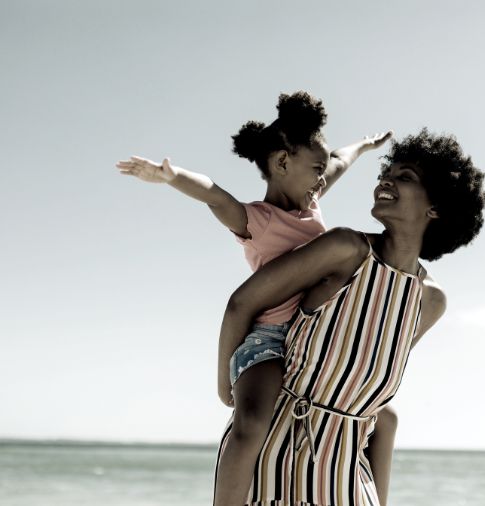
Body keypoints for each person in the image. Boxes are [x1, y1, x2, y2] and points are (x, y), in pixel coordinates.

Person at [115, 91, 396, 505]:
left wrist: (366, 146)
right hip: (268, 343)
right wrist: (172, 177)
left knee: (381, 415)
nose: (322, 177)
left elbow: (339, 159)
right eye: (314, 169)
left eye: (322, 171)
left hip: (316, 339)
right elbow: (215, 194)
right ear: (282, 163)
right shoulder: (257, 221)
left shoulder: (312, 202)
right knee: (251, 424)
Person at [215, 128, 485, 505]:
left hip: (344, 475)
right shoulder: (345, 249)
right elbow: (242, 303)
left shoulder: (430, 300)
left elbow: (368, 392)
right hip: (273, 458)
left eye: (404, 176)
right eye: (386, 173)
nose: (386, 180)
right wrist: (227, 385)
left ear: (436, 208)